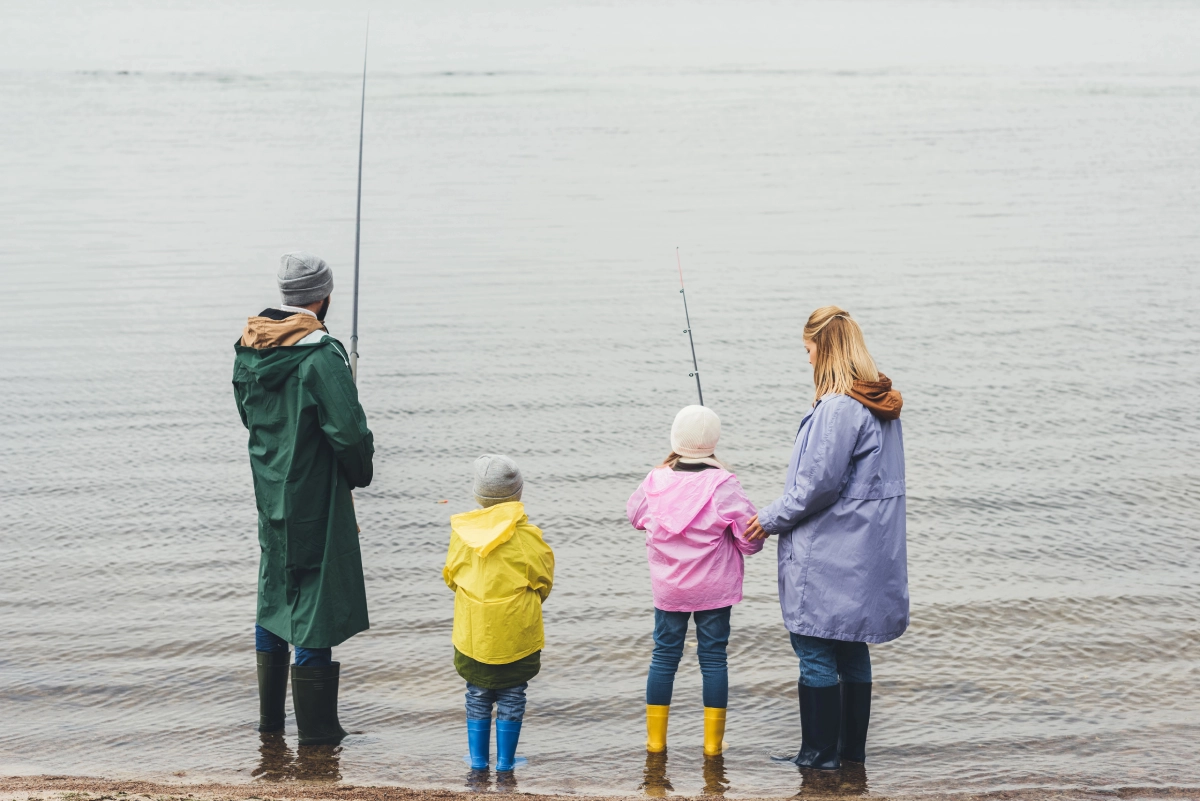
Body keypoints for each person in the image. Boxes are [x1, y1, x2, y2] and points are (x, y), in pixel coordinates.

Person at [745, 306, 908, 770]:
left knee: (815, 647)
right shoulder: (878, 404)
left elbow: (817, 485)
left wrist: (768, 519)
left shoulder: (838, 409)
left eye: (809, 349)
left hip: (832, 551)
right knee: (851, 647)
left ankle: (818, 756)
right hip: (865, 551)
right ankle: (850, 756)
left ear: (827, 349)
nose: (807, 359)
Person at [233, 252, 375, 746]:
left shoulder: (249, 347)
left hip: (270, 491)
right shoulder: (320, 354)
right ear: (324, 297)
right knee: (315, 603)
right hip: (316, 496)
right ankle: (317, 735)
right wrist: (360, 472)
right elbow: (350, 434)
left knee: (275, 595)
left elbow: (250, 417)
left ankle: (270, 725)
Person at [627, 405, 761, 757]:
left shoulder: (655, 480)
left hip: (669, 588)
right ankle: (712, 747)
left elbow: (636, 516)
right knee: (714, 659)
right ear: (713, 442)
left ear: (675, 439)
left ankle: (655, 743)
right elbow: (751, 540)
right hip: (714, 590)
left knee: (664, 657)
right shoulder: (724, 484)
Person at [444, 455, 555, 772]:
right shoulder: (527, 537)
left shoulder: (462, 534)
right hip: (516, 635)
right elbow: (544, 580)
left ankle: (478, 761)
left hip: (474, 635)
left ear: (478, 495)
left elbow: (451, 577)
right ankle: (505, 762)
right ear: (517, 494)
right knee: (513, 693)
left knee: (477, 693)